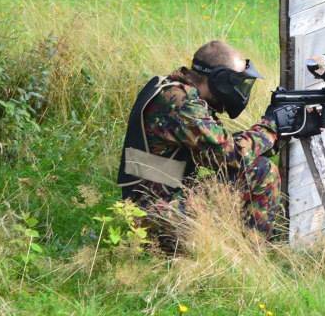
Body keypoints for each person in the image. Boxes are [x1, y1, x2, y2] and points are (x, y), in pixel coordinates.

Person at [117, 40, 289, 248]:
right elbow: (233, 155)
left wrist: (278, 134)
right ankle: (250, 253)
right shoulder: (180, 103)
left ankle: (235, 250)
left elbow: (217, 155)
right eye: (236, 82)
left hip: (155, 203)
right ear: (220, 81)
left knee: (250, 169)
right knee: (261, 171)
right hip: (154, 215)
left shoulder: (172, 91)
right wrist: (271, 126)